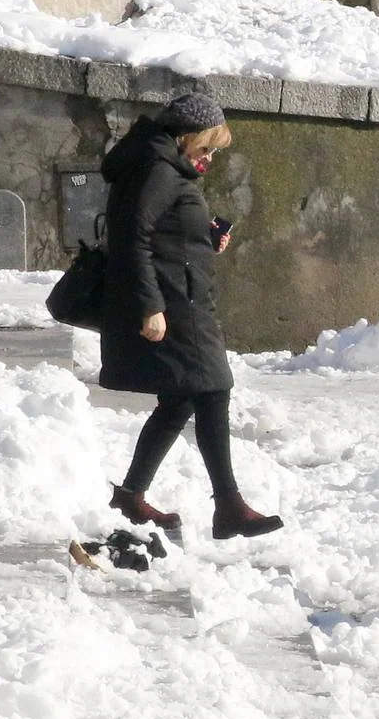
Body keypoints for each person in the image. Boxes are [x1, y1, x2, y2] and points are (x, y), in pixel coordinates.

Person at [102, 94, 284, 540]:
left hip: (181, 295)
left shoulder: (163, 164)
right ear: (187, 136)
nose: (209, 157)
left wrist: (203, 237)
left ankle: (131, 496)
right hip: (173, 304)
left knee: (181, 400)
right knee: (214, 389)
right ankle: (229, 506)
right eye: (207, 147)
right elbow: (132, 237)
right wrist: (151, 305)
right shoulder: (159, 169)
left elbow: (163, 229)